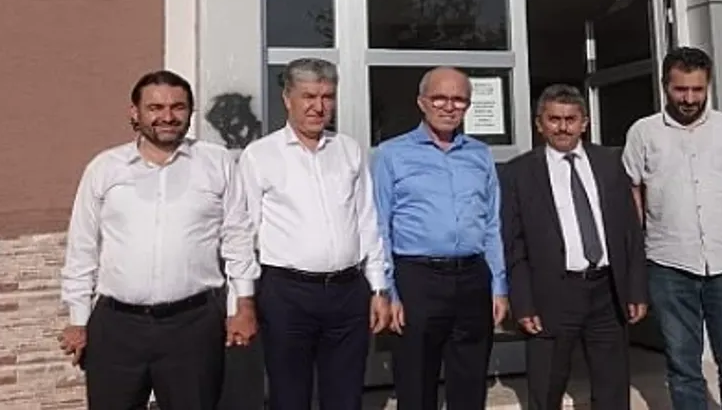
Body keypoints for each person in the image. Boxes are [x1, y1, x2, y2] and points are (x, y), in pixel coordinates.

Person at [58, 70, 260, 410]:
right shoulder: (105, 169)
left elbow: (237, 238)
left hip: (193, 326)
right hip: (117, 327)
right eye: (155, 107)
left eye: (178, 107)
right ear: (134, 113)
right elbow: (82, 248)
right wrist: (78, 319)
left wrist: (242, 306)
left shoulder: (216, 163)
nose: (167, 116)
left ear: (190, 112)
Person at [622, 47, 722, 410]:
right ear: (665, 86)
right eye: (681, 89)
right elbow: (633, 191)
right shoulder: (644, 132)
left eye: (697, 90)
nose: (689, 99)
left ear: (708, 86)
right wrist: (637, 253)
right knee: (682, 363)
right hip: (668, 264)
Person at [237, 58, 389, 410]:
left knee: (346, 397)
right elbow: (244, 232)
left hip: (347, 292)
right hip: (287, 294)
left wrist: (379, 287)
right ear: (287, 98)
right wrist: (243, 299)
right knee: (290, 396)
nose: (318, 107)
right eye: (308, 96)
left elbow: (366, 221)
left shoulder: (348, 150)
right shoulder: (260, 156)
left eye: (327, 97)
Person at [500, 84, 648, 410]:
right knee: (547, 388)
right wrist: (523, 303)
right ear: (539, 124)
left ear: (584, 123)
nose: (563, 127)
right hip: (553, 293)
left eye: (570, 119)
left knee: (612, 390)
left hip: (606, 292)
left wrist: (636, 289)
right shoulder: (519, 173)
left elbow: (630, 232)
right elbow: (514, 244)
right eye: (554, 119)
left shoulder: (609, 163)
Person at [372, 67, 508, 410]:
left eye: (459, 100)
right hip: (417, 278)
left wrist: (498, 286)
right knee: (416, 383)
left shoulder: (480, 154)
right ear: (422, 102)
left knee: (471, 383)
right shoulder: (391, 154)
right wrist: (389, 291)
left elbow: (491, 224)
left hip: (472, 278)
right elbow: (380, 226)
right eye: (439, 98)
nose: (449, 107)